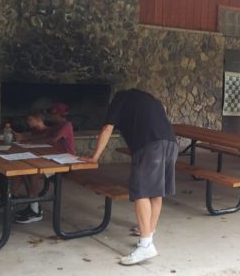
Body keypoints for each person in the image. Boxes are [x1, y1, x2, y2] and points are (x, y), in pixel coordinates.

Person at [81, 89, 177, 266]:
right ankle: (149, 232)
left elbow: (107, 128)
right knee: (156, 192)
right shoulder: (151, 100)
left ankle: (146, 244)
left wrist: (94, 157)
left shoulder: (120, 99)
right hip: (171, 144)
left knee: (140, 192)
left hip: (150, 146)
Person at [14, 105, 74, 224]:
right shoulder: (55, 126)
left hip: (65, 163)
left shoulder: (66, 125)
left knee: (32, 175)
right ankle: (31, 206)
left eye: (52, 114)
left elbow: (52, 140)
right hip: (52, 159)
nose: (49, 117)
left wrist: (26, 141)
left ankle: (35, 212)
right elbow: (42, 136)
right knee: (25, 172)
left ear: (59, 115)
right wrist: (24, 140)